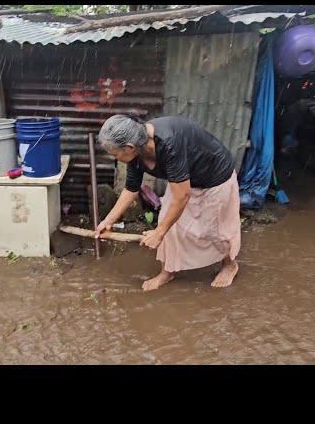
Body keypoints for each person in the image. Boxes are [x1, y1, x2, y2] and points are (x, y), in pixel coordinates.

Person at [95, 114, 241, 291]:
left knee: (216, 228)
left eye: (115, 154)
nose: (114, 158)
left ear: (129, 147)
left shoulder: (169, 143)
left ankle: (229, 264)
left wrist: (159, 233)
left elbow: (182, 196)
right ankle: (167, 271)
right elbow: (131, 189)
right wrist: (109, 221)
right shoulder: (136, 150)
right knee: (167, 223)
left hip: (215, 177)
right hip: (184, 180)